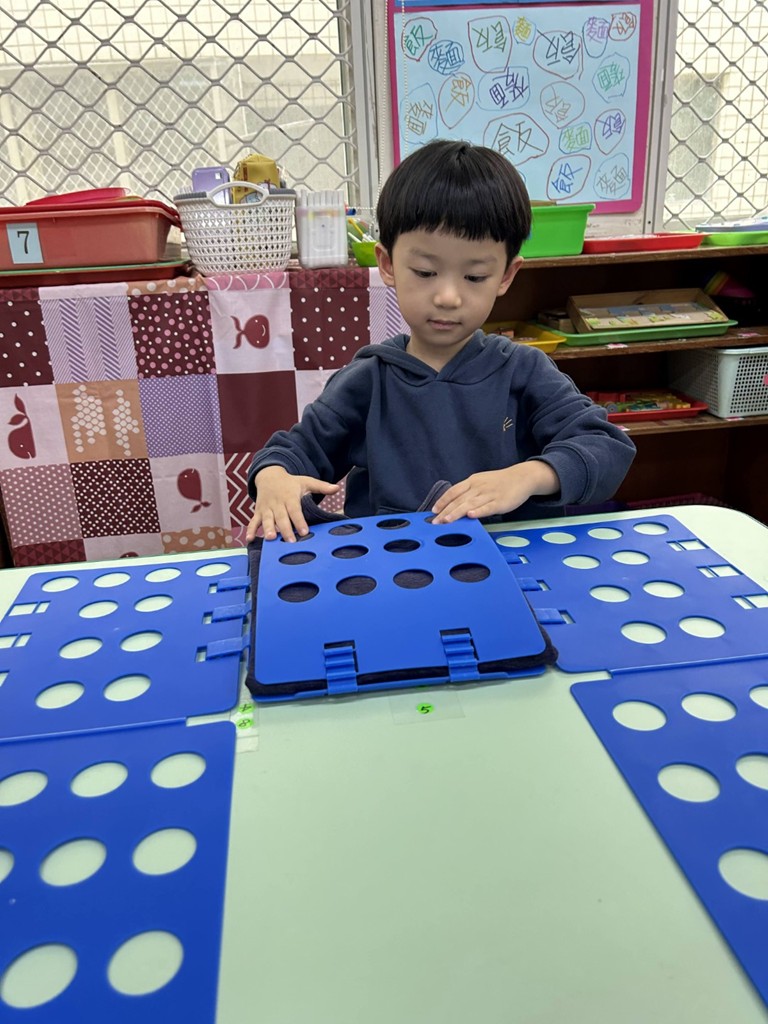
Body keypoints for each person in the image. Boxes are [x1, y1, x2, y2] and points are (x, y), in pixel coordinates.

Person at [246, 139, 636, 543]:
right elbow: (294, 452)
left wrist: (529, 476)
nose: (448, 297)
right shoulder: (368, 380)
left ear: (506, 275)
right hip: (393, 564)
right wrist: (273, 477)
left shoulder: (524, 372)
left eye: (474, 277)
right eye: (425, 272)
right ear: (388, 264)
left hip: (509, 562)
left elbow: (606, 447)